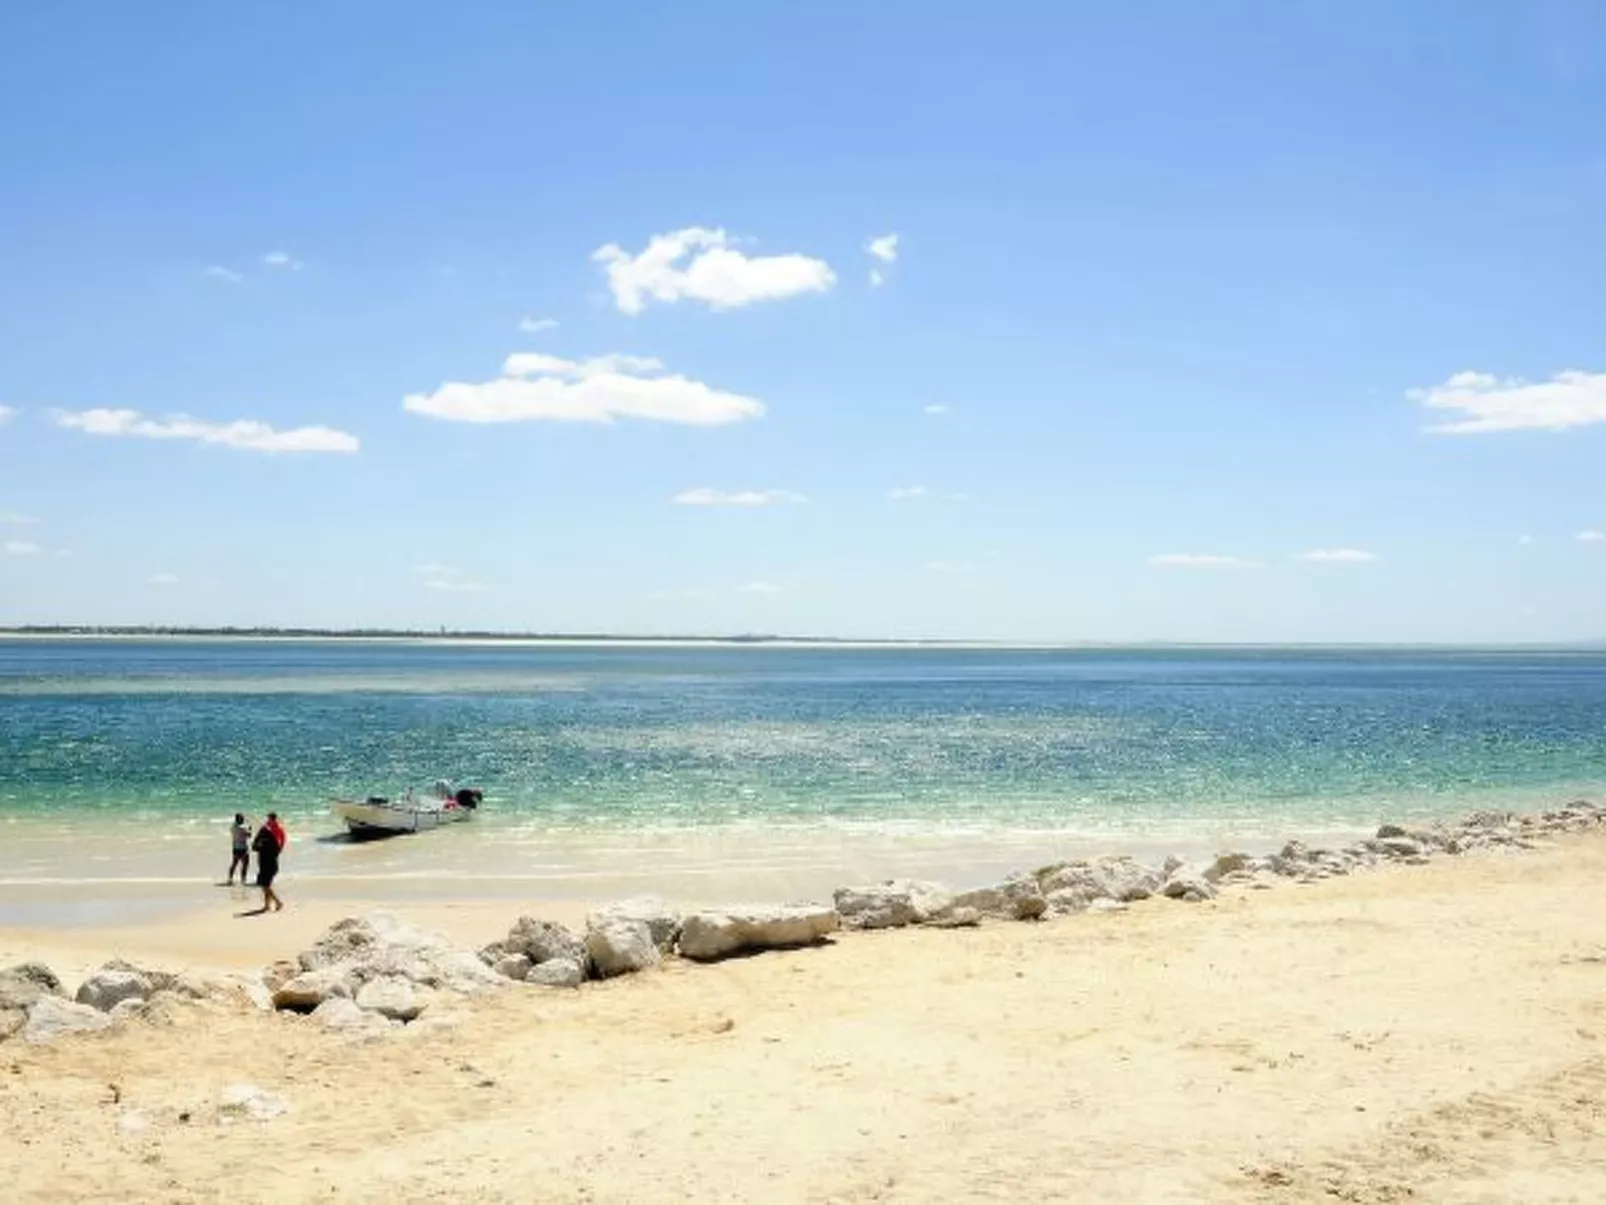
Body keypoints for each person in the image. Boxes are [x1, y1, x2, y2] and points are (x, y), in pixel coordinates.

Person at [251, 812, 287, 912]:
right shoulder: (276, 830)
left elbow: (255, 846)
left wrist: (260, 841)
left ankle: (278, 902)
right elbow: (282, 841)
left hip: (268, 864)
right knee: (265, 885)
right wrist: (279, 851)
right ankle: (267, 905)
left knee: (265, 885)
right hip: (270, 862)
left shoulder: (270, 832)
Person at [227, 813, 251, 885]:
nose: (243, 820)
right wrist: (249, 829)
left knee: (234, 863)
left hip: (235, 847)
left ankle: (230, 879)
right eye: (242, 819)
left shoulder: (232, 827)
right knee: (245, 864)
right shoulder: (242, 828)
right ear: (240, 819)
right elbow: (249, 835)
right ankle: (243, 880)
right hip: (243, 848)